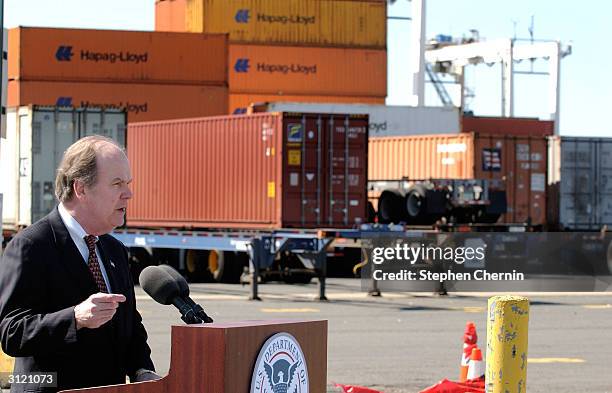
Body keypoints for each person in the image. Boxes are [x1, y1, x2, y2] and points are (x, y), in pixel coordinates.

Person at [0, 135, 159, 392]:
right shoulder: (31, 245)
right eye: (117, 184)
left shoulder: (114, 250)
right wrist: (74, 318)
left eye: (128, 183)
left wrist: (142, 370)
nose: (128, 194)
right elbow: (12, 332)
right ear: (81, 188)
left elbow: (130, 325)